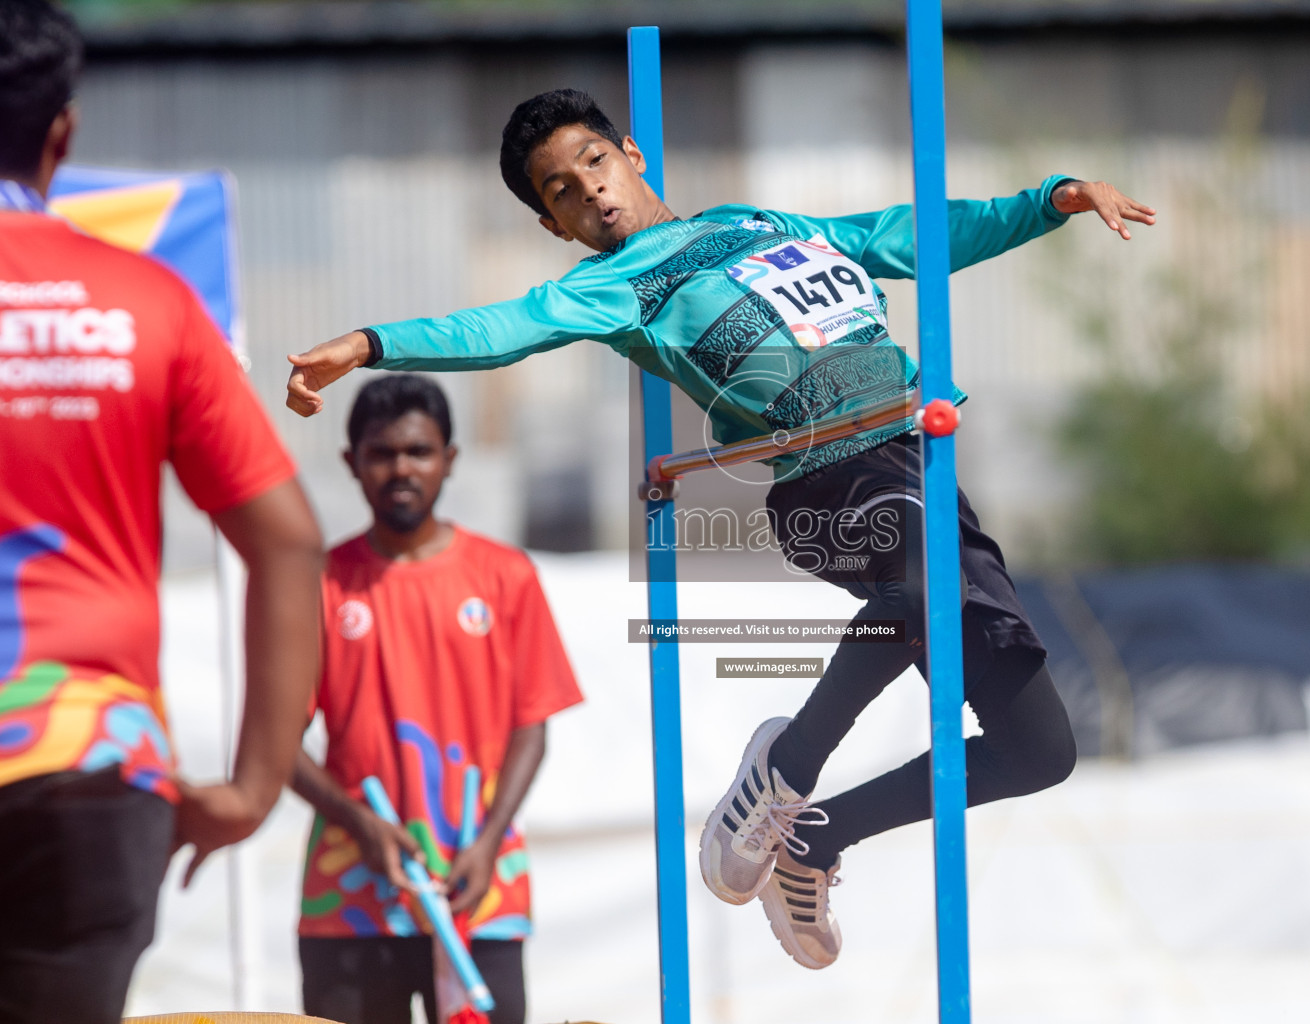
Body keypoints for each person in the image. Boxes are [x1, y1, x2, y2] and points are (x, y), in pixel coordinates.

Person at [286, 88, 1154, 970]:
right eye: (560, 192)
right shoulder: (611, 286)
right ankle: (784, 773)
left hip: (919, 472)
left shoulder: (758, 221)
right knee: (919, 581)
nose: (589, 192)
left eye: (594, 163)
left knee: (1038, 749)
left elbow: (902, 237)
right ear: (555, 225)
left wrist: (1049, 202)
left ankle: (816, 838)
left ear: (631, 154)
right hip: (828, 483)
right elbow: (500, 328)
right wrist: (366, 344)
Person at [0, 2, 325, 1021]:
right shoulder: (148, 300)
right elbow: (287, 542)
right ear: (63, 133)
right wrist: (250, 786)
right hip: (89, 771)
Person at [290, 374, 582, 1024]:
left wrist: (487, 840)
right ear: (351, 463)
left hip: (479, 890)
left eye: (418, 451)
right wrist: (359, 824)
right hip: (352, 901)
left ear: (449, 459)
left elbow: (531, 726)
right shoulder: (317, 583)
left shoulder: (506, 576)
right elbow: (275, 744)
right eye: (382, 453)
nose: (401, 468)